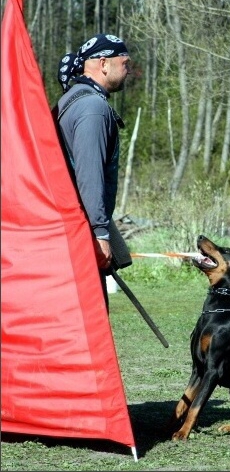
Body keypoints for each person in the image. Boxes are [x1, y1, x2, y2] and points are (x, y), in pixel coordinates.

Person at [56, 34, 131, 305]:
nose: (128, 70)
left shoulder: (75, 99)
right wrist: (100, 233)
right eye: (124, 63)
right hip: (81, 233)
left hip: (72, 230)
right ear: (103, 63)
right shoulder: (93, 107)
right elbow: (89, 175)